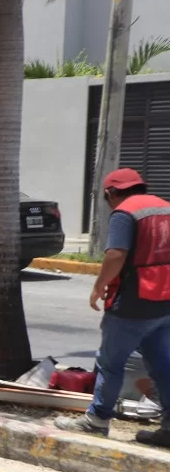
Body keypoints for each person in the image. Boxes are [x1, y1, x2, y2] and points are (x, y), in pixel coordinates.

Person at [55, 167, 170, 447]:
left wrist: (99, 286)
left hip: (133, 302)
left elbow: (116, 255)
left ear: (111, 194)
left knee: (109, 362)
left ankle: (97, 420)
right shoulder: (166, 207)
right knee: (164, 366)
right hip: (165, 301)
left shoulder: (125, 213)